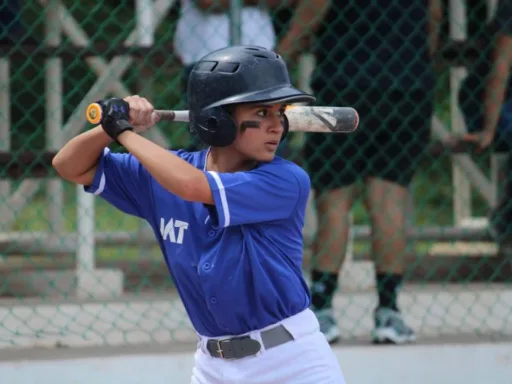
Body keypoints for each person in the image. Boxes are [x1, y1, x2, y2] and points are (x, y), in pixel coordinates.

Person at [52, 45, 346, 384]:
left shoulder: (286, 180)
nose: (277, 126)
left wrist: (123, 131)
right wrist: (107, 128)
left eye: (280, 113)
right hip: (212, 366)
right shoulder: (160, 176)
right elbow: (68, 165)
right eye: (262, 113)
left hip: (290, 362)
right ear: (216, 120)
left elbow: (193, 186)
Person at [278, 0, 443, 345]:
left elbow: (313, 8)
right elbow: (434, 16)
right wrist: (416, 60)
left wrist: (280, 58)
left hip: (346, 81)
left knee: (335, 199)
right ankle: (389, 310)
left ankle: (322, 310)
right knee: (389, 199)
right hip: (407, 83)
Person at [458, 0, 512, 244]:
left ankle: (505, 218)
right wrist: (488, 129)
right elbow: (501, 66)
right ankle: (506, 219)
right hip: (494, 105)